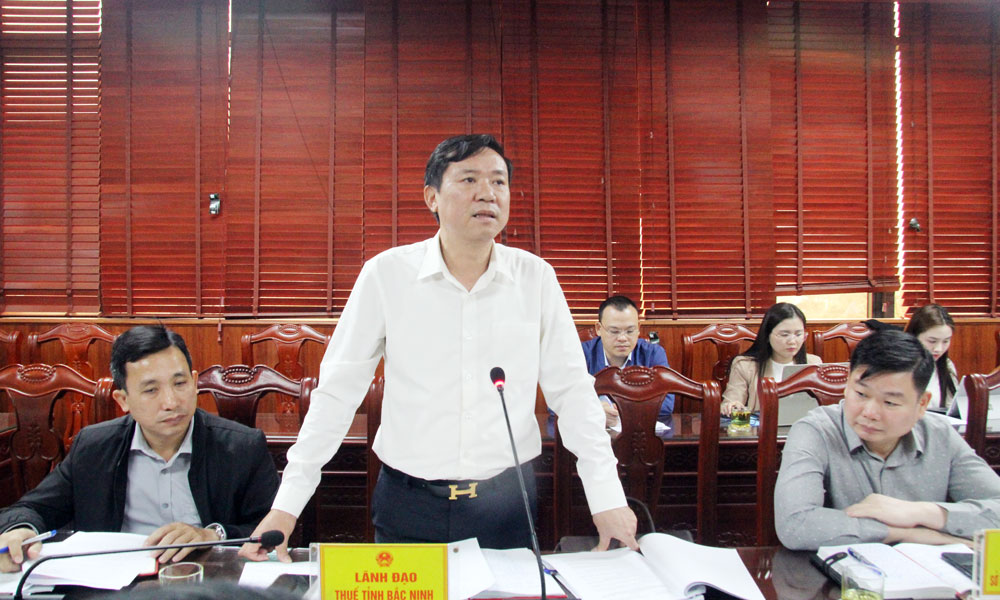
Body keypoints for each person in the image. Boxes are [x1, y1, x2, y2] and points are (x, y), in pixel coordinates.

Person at [240, 134, 637, 560]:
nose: (487, 193)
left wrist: (607, 498)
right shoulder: (386, 276)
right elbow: (337, 393)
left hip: (507, 503)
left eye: (499, 181)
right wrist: (286, 506)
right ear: (431, 196)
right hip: (409, 505)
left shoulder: (535, 279)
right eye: (469, 179)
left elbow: (573, 393)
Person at [0, 325, 279, 573]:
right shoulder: (93, 448)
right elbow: (31, 508)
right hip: (113, 586)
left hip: (208, 581)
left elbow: (273, 529)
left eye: (180, 383)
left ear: (195, 383)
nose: (171, 402)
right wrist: (20, 529)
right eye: (151, 390)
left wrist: (214, 535)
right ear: (123, 399)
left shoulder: (242, 447)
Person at [774, 329, 1000, 550]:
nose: (870, 412)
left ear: (922, 404)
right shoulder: (816, 431)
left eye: (890, 402)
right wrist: (906, 534)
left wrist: (921, 513)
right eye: (861, 394)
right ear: (848, 385)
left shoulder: (939, 435)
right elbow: (795, 525)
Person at [581, 295, 673, 427]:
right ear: (598, 329)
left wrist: (622, 408)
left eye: (630, 331)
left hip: (639, 432)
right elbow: (558, 403)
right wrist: (595, 410)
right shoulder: (582, 354)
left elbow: (667, 404)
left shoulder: (652, 354)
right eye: (614, 331)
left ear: (638, 328)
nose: (622, 338)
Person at [721, 302, 821, 416]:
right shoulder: (745, 365)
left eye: (798, 335)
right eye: (784, 335)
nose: (792, 341)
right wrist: (732, 406)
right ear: (767, 336)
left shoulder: (814, 363)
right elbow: (731, 401)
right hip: (763, 425)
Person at [905, 303, 958, 410]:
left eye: (946, 341)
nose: (938, 349)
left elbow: (951, 409)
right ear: (914, 337)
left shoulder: (947, 366)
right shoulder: (896, 366)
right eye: (932, 341)